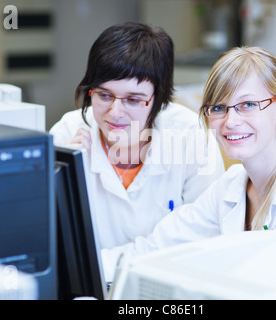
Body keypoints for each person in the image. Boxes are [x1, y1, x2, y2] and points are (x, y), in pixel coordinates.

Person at [101, 46, 276, 282]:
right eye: (219, 108)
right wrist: (78, 270)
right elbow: (155, 249)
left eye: (247, 105)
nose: (231, 121)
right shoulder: (230, 188)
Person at [49, 22, 225, 250]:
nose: (115, 112)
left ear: (159, 99)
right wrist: (59, 179)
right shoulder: (66, 134)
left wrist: (109, 263)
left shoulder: (190, 136)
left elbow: (205, 235)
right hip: (90, 286)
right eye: (104, 95)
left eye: (133, 100)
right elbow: (40, 237)